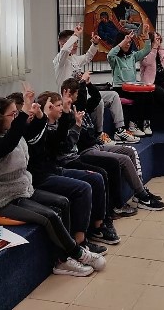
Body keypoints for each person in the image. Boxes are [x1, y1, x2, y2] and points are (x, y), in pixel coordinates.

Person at [0, 93, 105, 276]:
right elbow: (10, 142)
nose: (16, 117)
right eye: (13, 114)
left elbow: (34, 132)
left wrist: (39, 115)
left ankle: (64, 257)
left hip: (24, 190)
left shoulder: (12, 134)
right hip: (5, 199)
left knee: (63, 202)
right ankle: (76, 254)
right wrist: (23, 113)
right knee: (49, 216)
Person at [26, 90, 112, 254]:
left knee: (97, 177)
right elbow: (53, 143)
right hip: (42, 176)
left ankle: (98, 226)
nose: (60, 108)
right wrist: (45, 117)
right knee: (84, 187)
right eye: (57, 105)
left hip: (54, 169)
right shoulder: (34, 130)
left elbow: (61, 142)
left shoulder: (46, 127)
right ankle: (80, 241)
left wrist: (67, 114)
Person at [64, 75, 164, 211]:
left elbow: (96, 98)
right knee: (123, 159)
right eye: (77, 93)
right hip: (86, 151)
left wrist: (88, 84)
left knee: (130, 151)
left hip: (97, 145)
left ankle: (139, 192)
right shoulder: (68, 114)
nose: (81, 95)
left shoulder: (82, 107)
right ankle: (143, 196)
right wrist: (81, 85)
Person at [53, 24, 139, 144]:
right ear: (62, 43)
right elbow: (64, 50)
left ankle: (120, 130)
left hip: (83, 94)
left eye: (77, 42)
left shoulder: (74, 59)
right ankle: (99, 134)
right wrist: (76, 34)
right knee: (99, 102)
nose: (76, 45)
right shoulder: (59, 60)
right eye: (74, 42)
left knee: (113, 95)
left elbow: (87, 57)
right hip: (71, 99)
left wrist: (94, 44)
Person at [108, 25, 154, 137]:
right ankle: (132, 126)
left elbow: (147, 50)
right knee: (139, 96)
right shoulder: (115, 58)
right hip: (119, 88)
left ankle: (146, 124)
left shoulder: (133, 56)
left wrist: (146, 35)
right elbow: (110, 54)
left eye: (129, 42)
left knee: (149, 94)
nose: (128, 44)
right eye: (125, 42)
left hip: (133, 87)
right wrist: (124, 41)